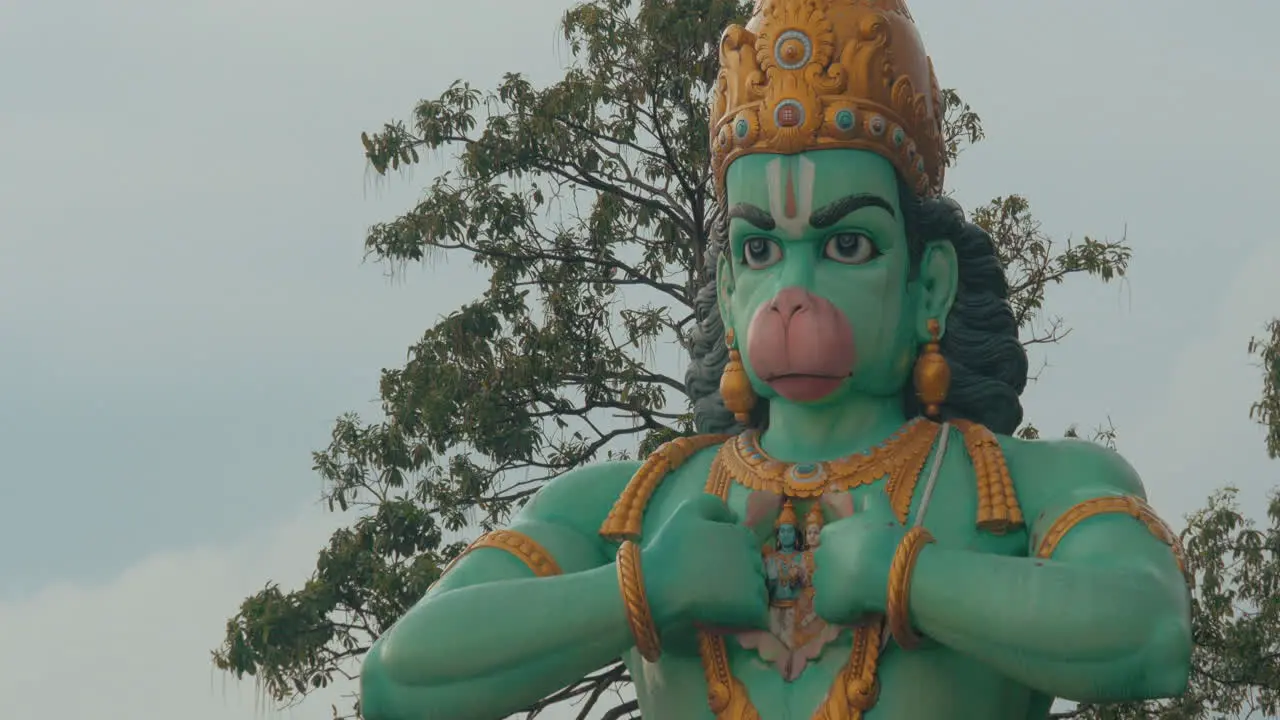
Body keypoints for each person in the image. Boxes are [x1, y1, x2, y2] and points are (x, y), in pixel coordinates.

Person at [359, 1, 1193, 718]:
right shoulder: (633, 508)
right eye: (761, 251)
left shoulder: (1027, 490)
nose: (791, 292)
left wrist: (910, 575)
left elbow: (1150, 636)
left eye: (848, 243)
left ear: (927, 283)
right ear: (725, 289)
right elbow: (399, 677)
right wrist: (639, 588)